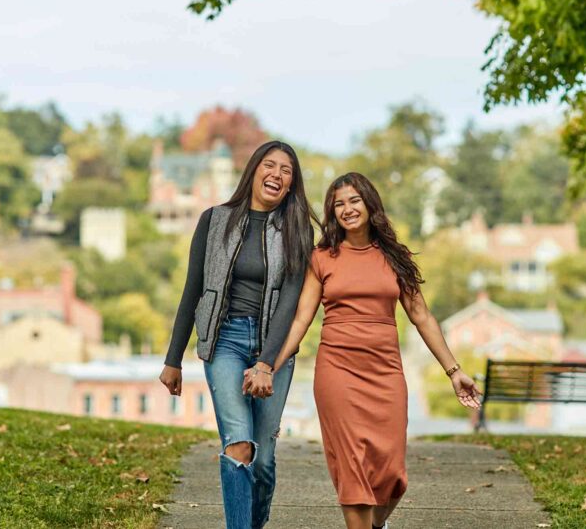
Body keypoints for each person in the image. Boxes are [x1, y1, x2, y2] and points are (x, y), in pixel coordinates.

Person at [264, 172, 482, 529]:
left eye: (354, 200)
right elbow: (302, 319)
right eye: (339, 204)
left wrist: (454, 371)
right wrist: (270, 364)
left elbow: (421, 315)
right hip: (337, 371)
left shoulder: (395, 257)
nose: (347, 209)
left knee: (393, 475)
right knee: (352, 468)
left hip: (385, 372)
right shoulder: (322, 258)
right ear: (332, 213)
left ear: (369, 203)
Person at [159, 140, 317, 529]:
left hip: (274, 347)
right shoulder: (214, 220)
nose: (277, 174)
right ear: (253, 170)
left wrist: (266, 362)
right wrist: (172, 358)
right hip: (224, 340)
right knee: (239, 446)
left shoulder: (297, 230)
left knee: (262, 460)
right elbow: (193, 288)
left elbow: (291, 302)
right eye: (270, 165)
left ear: (292, 183)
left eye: (286, 170)